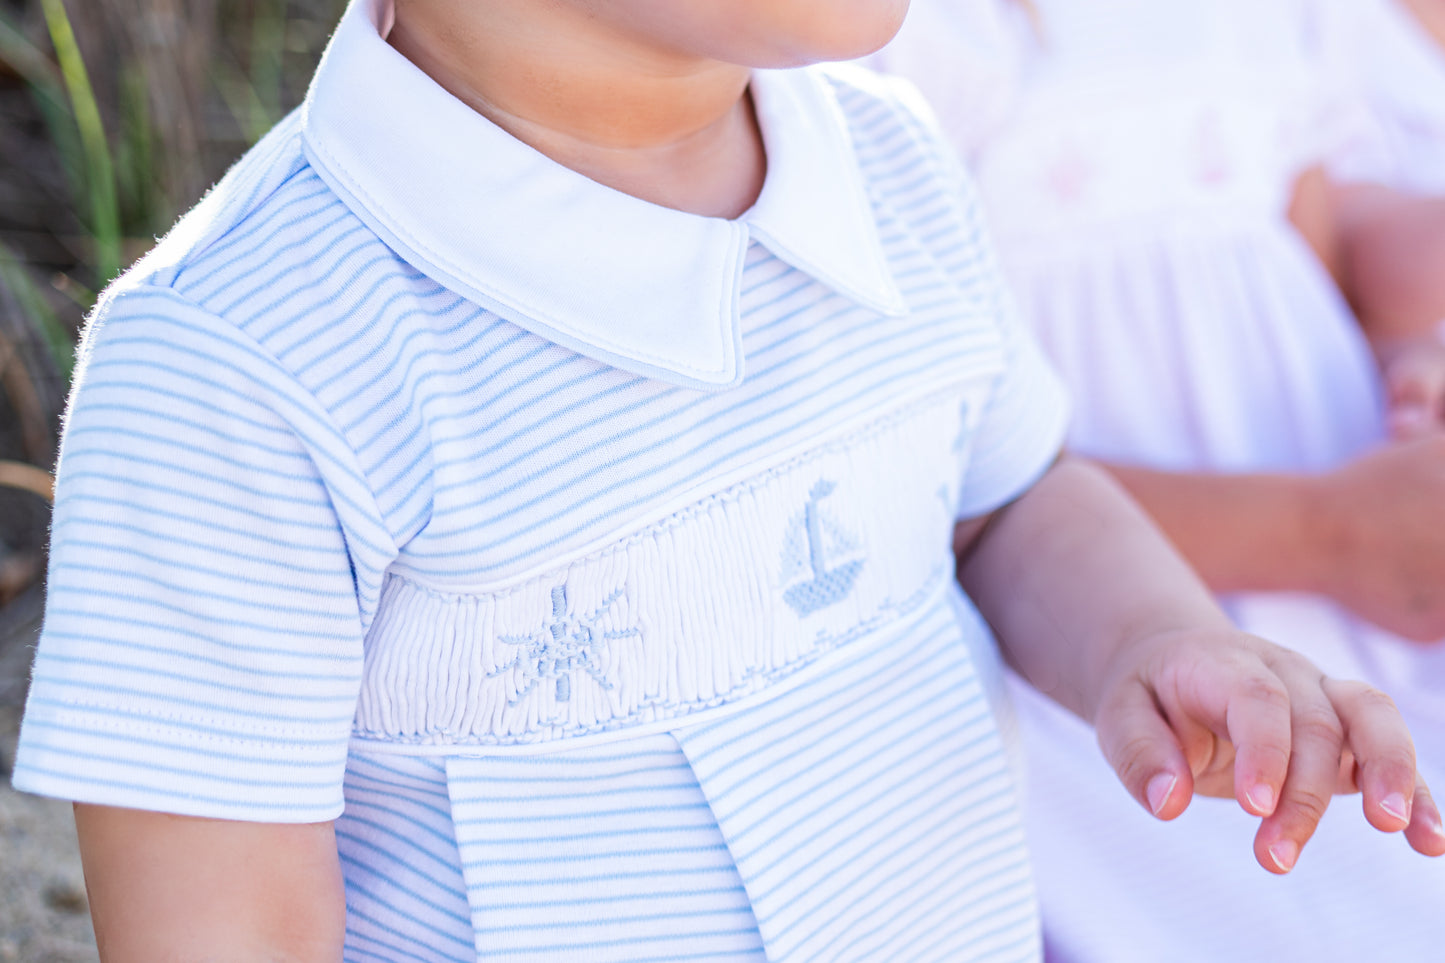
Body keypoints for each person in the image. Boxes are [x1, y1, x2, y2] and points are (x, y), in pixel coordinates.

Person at [12, 0, 1443, 960]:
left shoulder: (889, 163)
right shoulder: (244, 356)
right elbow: (227, 928)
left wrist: (1154, 635)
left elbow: (1004, 492)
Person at [870, 0, 1445, 959]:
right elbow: (964, 474)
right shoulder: (890, 35)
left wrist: (1415, 340)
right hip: (1107, 636)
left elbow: (1325, 233)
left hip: (1362, 591)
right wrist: (1329, 536)